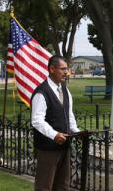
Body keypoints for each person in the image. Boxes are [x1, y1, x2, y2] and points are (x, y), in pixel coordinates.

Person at [31, 55, 79, 191]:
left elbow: (69, 115)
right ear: (52, 69)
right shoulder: (42, 92)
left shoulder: (65, 90)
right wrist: (54, 134)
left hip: (65, 146)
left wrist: (76, 131)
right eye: (63, 69)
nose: (66, 72)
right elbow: (37, 120)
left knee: (63, 185)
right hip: (48, 148)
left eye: (67, 69)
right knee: (45, 185)